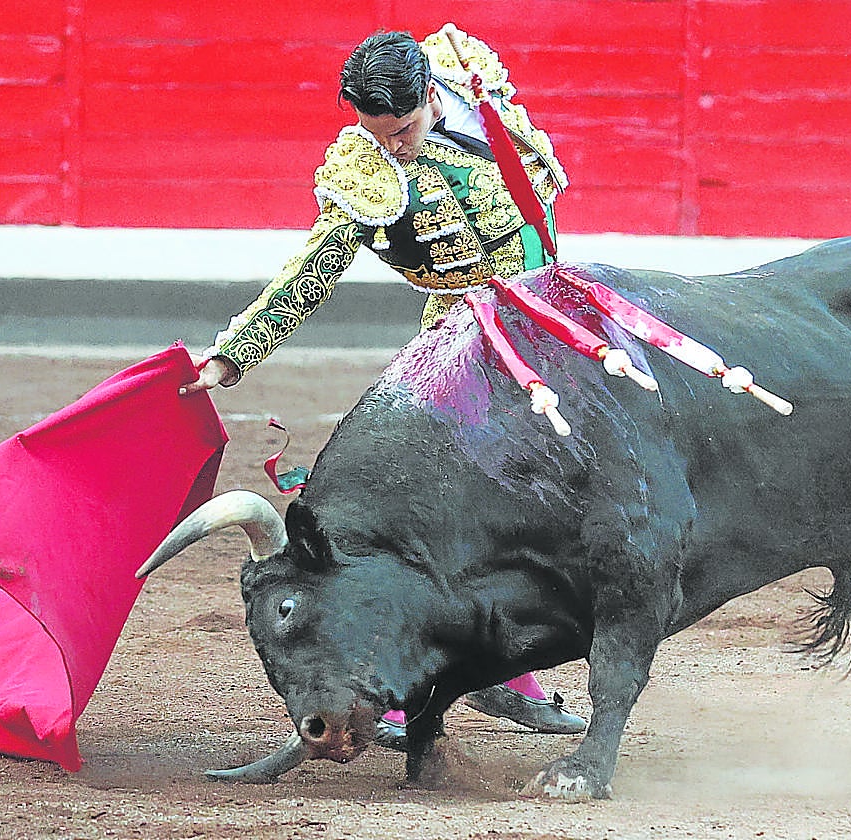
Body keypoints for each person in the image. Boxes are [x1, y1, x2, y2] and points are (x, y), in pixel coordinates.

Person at [182, 26, 585, 748]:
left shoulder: (472, 87)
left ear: (433, 95)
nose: (390, 147)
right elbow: (311, 271)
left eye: (401, 130)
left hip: (552, 321)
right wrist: (232, 356)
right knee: (452, 517)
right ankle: (406, 687)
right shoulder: (365, 172)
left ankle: (508, 667)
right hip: (459, 347)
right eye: (376, 133)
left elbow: (535, 213)